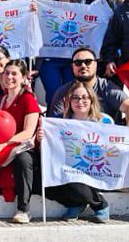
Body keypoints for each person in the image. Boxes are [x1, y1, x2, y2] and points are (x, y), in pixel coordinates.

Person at [0, 58, 40, 224]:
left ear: (24, 77)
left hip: (23, 147)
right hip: (3, 147)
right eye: (6, 73)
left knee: (23, 160)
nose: (9, 77)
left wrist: (4, 144)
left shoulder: (28, 99)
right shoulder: (0, 100)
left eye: (14, 74)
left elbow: (27, 132)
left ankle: (24, 209)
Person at [44, 84, 113, 222]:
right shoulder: (59, 120)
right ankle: (76, 203)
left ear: (92, 100)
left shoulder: (104, 120)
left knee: (73, 181)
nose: (80, 101)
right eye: (75, 98)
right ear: (69, 101)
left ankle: (99, 204)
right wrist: (43, 137)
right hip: (65, 166)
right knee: (45, 184)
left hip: (94, 168)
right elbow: (51, 145)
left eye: (84, 97)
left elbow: (115, 144)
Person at [45, 48, 129, 127]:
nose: (83, 66)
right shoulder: (63, 91)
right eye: (78, 63)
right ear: (72, 66)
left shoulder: (107, 87)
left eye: (88, 62)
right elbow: (54, 123)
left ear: (95, 64)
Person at [37, 0, 77, 104]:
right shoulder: (45, 8)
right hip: (50, 59)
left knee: (71, 94)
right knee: (53, 93)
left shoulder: (81, 9)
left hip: (71, 60)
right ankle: (52, 119)